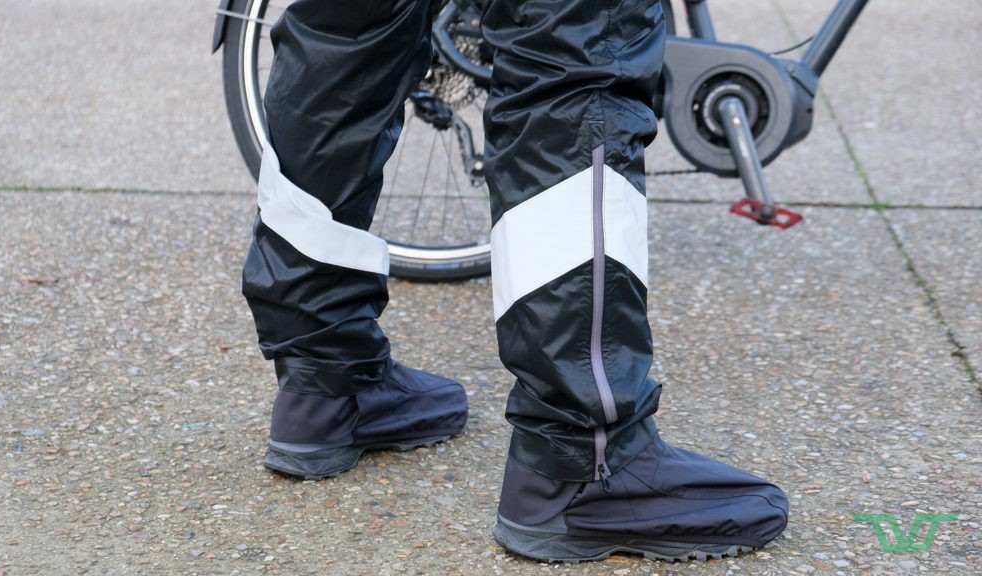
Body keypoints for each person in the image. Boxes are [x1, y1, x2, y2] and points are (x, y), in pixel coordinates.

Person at [240, 0, 789, 563]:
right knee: (580, 36)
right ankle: (581, 462)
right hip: (582, 463)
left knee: (348, 27)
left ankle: (322, 377)